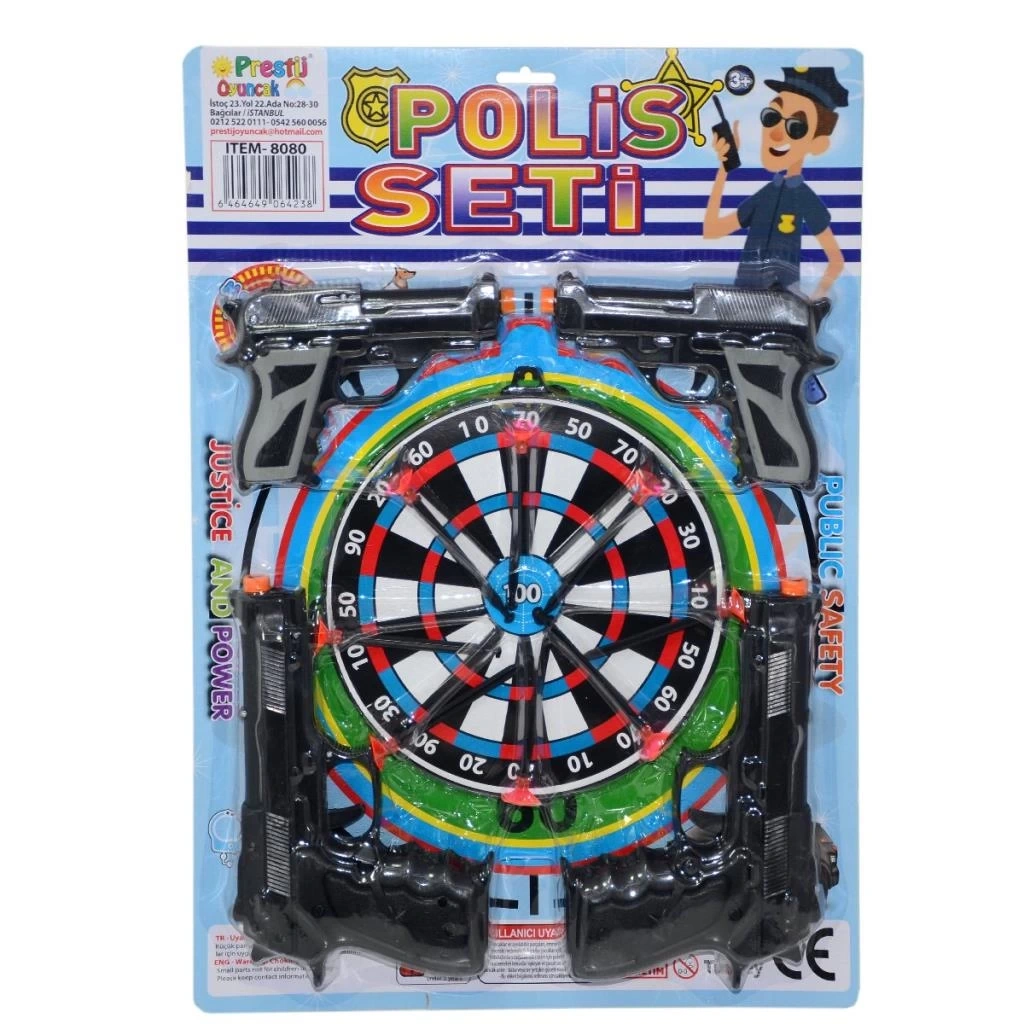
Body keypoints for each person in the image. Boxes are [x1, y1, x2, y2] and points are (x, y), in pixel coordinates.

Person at [703, 67, 848, 301]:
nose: (776, 134)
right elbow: (712, 230)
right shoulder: (767, 193)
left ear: (818, 144)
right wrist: (723, 169)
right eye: (771, 117)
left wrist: (813, 302)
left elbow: (836, 261)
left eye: (796, 127)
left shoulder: (803, 197)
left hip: (781, 302)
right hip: (743, 299)